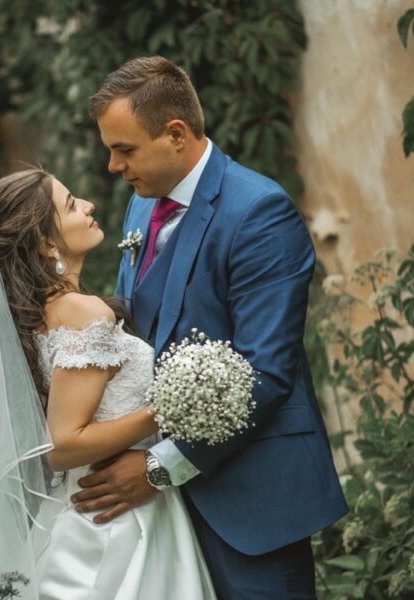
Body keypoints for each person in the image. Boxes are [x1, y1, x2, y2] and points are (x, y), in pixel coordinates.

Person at [70, 56, 348, 599]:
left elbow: (264, 372)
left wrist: (157, 467)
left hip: (251, 499)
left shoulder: (259, 212)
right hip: (161, 518)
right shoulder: (139, 205)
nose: (112, 166)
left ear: (175, 134)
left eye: (123, 148)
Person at [0, 169, 216, 599]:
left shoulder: (44, 314)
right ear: (46, 243)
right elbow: (63, 444)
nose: (88, 205)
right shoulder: (84, 313)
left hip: (100, 507)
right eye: (71, 204)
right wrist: (170, 409)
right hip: (114, 524)